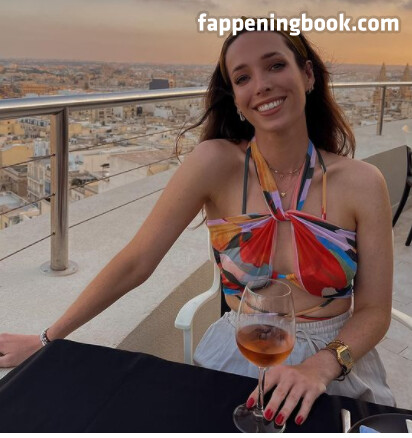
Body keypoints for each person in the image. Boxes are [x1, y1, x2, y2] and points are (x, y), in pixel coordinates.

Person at [0, 21, 395, 427]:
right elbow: (137, 261)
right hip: (238, 360)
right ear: (236, 98)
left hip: (334, 366)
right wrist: (48, 339)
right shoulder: (215, 164)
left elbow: (374, 310)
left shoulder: (363, 183)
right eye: (243, 77)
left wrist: (320, 366)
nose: (261, 85)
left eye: (275, 66)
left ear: (307, 74)